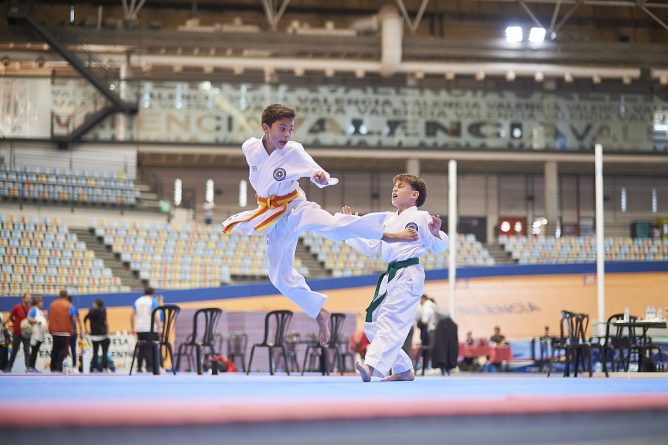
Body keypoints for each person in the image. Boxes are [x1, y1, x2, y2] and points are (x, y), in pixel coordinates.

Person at [221, 104, 413, 345]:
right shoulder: (250, 148)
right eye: (282, 129)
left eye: (290, 129)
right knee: (279, 276)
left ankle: (386, 233)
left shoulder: (293, 151)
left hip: (296, 207)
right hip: (272, 214)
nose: (287, 135)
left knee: (334, 227)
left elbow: (316, 172)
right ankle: (318, 311)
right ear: (265, 128)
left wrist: (320, 177)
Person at [345, 173, 448, 382]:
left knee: (390, 320)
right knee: (372, 323)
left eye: (400, 186)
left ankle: (371, 365)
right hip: (390, 275)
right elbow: (371, 246)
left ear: (414, 195)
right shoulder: (389, 219)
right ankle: (402, 370)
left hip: (408, 274)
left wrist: (436, 233)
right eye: (394, 186)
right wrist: (350, 228)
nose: (395, 189)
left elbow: (439, 246)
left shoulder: (421, 217)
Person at [131, 287, 160, 373]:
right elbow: (154, 313)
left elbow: (132, 314)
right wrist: (159, 325)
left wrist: (133, 327)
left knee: (141, 348)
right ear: (153, 293)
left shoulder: (138, 301)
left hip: (139, 328)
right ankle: (149, 367)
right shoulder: (153, 301)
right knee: (150, 348)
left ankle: (139, 367)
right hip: (150, 328)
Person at [5, 293, 32, 372]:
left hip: (27, 333)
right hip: (17, 332)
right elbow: (10, 317)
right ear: (23, 299)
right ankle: (9, 367)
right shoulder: (17, 307)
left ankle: (27, 368)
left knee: (27, 351)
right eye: (27, 298)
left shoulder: (31, 308)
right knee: (14, 350)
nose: (29, 300)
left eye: (29, 298)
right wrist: (15, 323)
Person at [48, 290, 73, 372]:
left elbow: (50, 317)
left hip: (55, 331)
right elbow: (72, 318)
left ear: (59, 295)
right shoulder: (69, 305)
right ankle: (58, 367)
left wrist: (50, 328)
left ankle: (53, 367)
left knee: (55, 348)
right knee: (62, 350)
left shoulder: (53, 304)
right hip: (64, 331)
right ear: (66, 296)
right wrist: (71, 330)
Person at [84, 299, 110, 372]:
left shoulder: (91, 311)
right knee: (104, 352)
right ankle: (105, 368)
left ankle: (94, 368)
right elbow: (105, 321)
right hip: (103, 334)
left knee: (95, 352)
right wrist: (107, 330)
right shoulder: (103, 310)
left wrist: (86, 329)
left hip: (94, 335)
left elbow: (85, 319)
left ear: (96, 304)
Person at [415, 294, 438, 371]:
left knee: (428, 349)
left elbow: (425, 320)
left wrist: (419, 323)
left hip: (431, 330)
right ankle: (429, 366)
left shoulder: (426, 306)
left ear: (422, 299)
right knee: (430, 348)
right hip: (435, 329)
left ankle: (428, 366)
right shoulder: (432, 305)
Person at [27, 295, 46, 372]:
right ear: (37, 302)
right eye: (41, 302)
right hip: (35, 334)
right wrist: (37, 321)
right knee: (34, 351)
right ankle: (31, 367)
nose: (42, 303)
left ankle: (32, 367)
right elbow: (29, 318)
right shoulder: (33, 310)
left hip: (40, 334)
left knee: (35, 351)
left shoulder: (39, 311)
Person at [66, 295, 83, 369]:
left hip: (68, 332)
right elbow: (79, 320)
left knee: (66, 349)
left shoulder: (68, 308)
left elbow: (75, 319)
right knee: (73, 349)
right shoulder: (75, 308)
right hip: (73, 332)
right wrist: (81, 330)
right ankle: (74, 366)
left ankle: (66, 366)